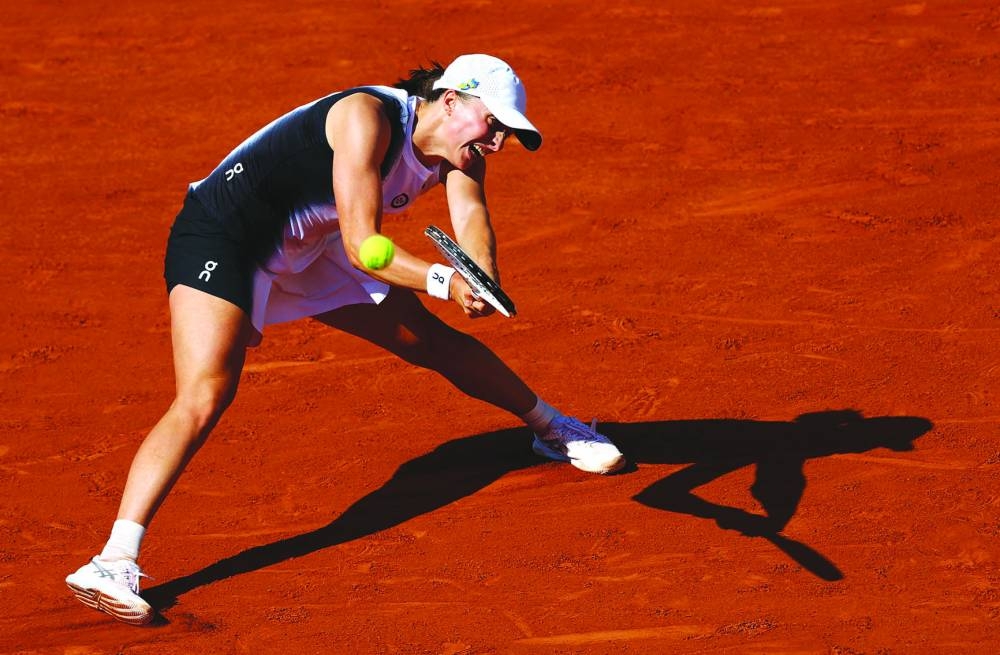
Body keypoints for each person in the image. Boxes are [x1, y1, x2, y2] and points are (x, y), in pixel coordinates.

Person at [65, 53, 626, 625]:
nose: (499, 142)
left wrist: (481, 273)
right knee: (206, 392)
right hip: (224, 237)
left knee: (426, 340)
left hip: (310, 245)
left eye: (508, 132)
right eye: (494, 124)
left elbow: (471, 210)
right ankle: (112, 560)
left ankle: (551, 428)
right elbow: (366, 247)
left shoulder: (461, 152)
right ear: (451, 100)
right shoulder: (366, 118)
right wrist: (444, 280)